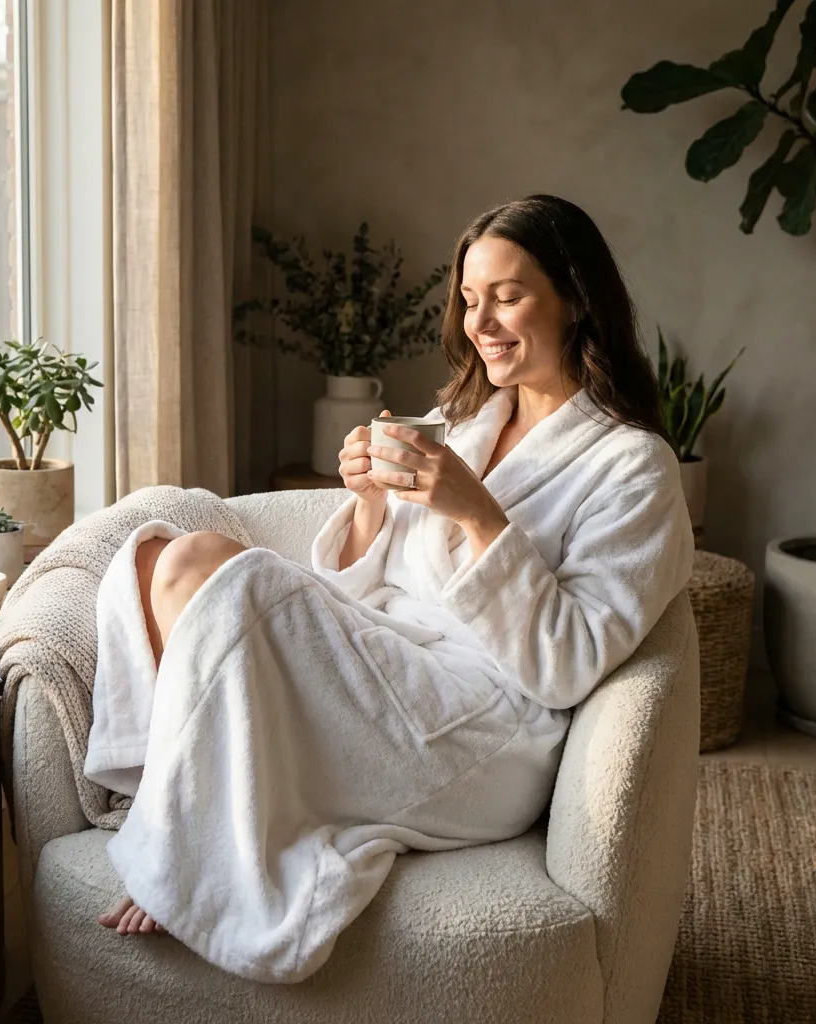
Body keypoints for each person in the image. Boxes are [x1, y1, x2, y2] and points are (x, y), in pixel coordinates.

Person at [91, 195, 694, 981]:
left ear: (576, 298)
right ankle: (175, 798)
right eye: (470, 300)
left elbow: (571, 664)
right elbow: (365, 580)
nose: (482, 323)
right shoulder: (468, 420)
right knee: (161, 557)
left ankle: (183, 844)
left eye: (508, 296)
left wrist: (479, 514)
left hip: (488, 729)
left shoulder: (635, 467)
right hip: (394, 665)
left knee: (234, 581)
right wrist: (370, 502)